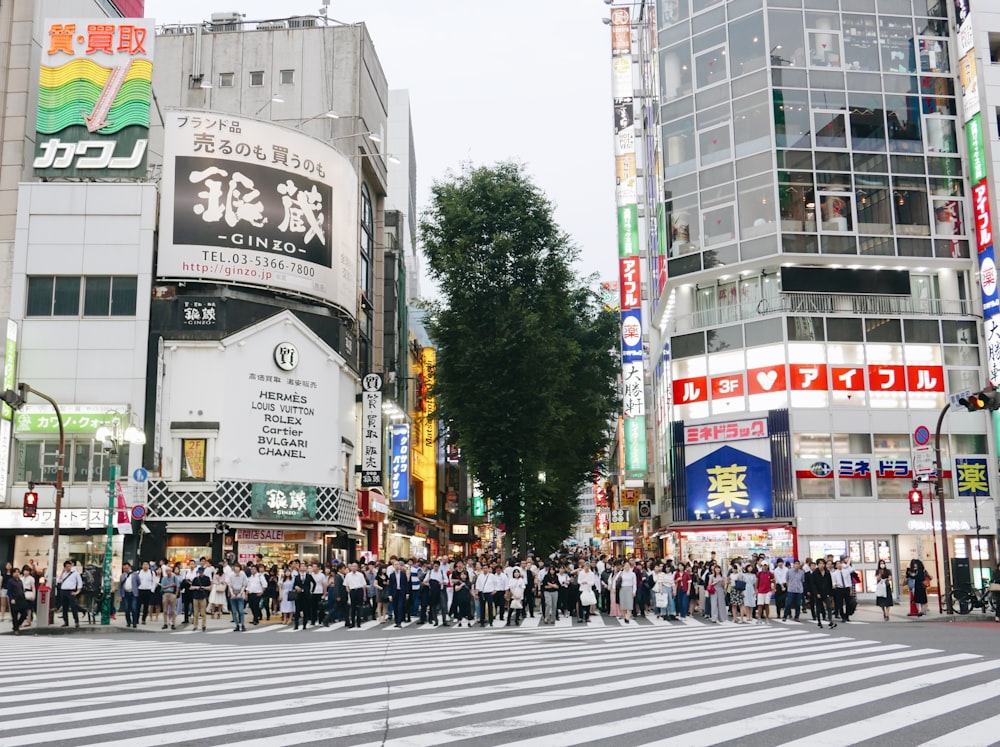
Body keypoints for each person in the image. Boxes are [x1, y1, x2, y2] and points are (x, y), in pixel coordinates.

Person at [57, 560, 86, 628]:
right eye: (66, 566)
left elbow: (79, 582)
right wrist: (62, 572)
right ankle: (65, 621)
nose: (68, 568)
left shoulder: (75, 573)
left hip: (71, 591)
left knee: (73, 607)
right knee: (64, 607)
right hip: (64, 590)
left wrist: (77, 591)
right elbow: (59, 581)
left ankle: (76, 621)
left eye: (69, 566)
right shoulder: (64, 573)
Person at [811, 558, 836, 629]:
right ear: (817, 565)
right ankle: (819, 621)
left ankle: (830, 621)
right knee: (818, 608)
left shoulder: (827, 572)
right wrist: (816, 593)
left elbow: (829, 583)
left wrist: (830, 593)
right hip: (818, 593)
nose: (822, 565)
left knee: (829, 606)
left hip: (826, 592)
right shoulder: (815, 573)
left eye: (823, 563)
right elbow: (813, 584)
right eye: (820, 563)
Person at [345, 562, 368, 629]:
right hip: (352, 591)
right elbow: (346, 585)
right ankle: (352, 623)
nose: (354, 568)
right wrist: (348, 591)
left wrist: (364, 595)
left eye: (355, 566)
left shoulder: (360, 575)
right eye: (353, 566)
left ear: (357, 567)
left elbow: (364, 585)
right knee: (352, 607)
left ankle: (358, 622)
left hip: (359, 590)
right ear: (351, 567)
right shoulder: (348, 575)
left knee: (359, 607)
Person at [227, 562, 248, 632]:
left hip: (240, 592)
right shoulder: (231, 575)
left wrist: (241, 593)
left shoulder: (242, 574)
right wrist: (232, 593)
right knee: (234, 611)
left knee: (241, 610)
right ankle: (237, 625)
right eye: (235, 568)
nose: (237, 569)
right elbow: (229, 585)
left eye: (238, 568)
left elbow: (244, 584)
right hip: (233, 592)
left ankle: (242, 624)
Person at [387, 560, 409, 628]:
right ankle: (396, 621)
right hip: (394, 592)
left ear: (400, 566)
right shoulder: (392, 575)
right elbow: (390, 585)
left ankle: (399, 622)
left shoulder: (403, 574)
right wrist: (390, 595)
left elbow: (406, 584)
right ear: (393, 566)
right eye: (395, 565)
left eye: (398, 564)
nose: (396, 566)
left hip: (401, 592)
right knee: (395, 608)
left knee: (400, 607)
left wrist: (407, 593)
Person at [160, 564, 180, 630]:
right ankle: (165, 623)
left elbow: (177, 586)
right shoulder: (164, 578)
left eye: (169, 571)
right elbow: (163, 587)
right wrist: (171, 585)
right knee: (165, 610)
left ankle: (173, 623)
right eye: (167, 571)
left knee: (173, 610)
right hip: (165, 594)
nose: (168, 572)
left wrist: (176, 595)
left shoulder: (174, 577)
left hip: (172, 594)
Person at [136, 561, 156, 625]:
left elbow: (154, 582)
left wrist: (152, 590)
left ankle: (143, 619)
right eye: (144, 564)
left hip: (148, 591)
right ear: (142, 566)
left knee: (146, 606)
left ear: (149, 566)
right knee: (138, 606)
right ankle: (136, 619)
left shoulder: (151, 572)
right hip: (140, 590)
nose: (145, 566)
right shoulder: (138, 572)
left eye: (146, 565)